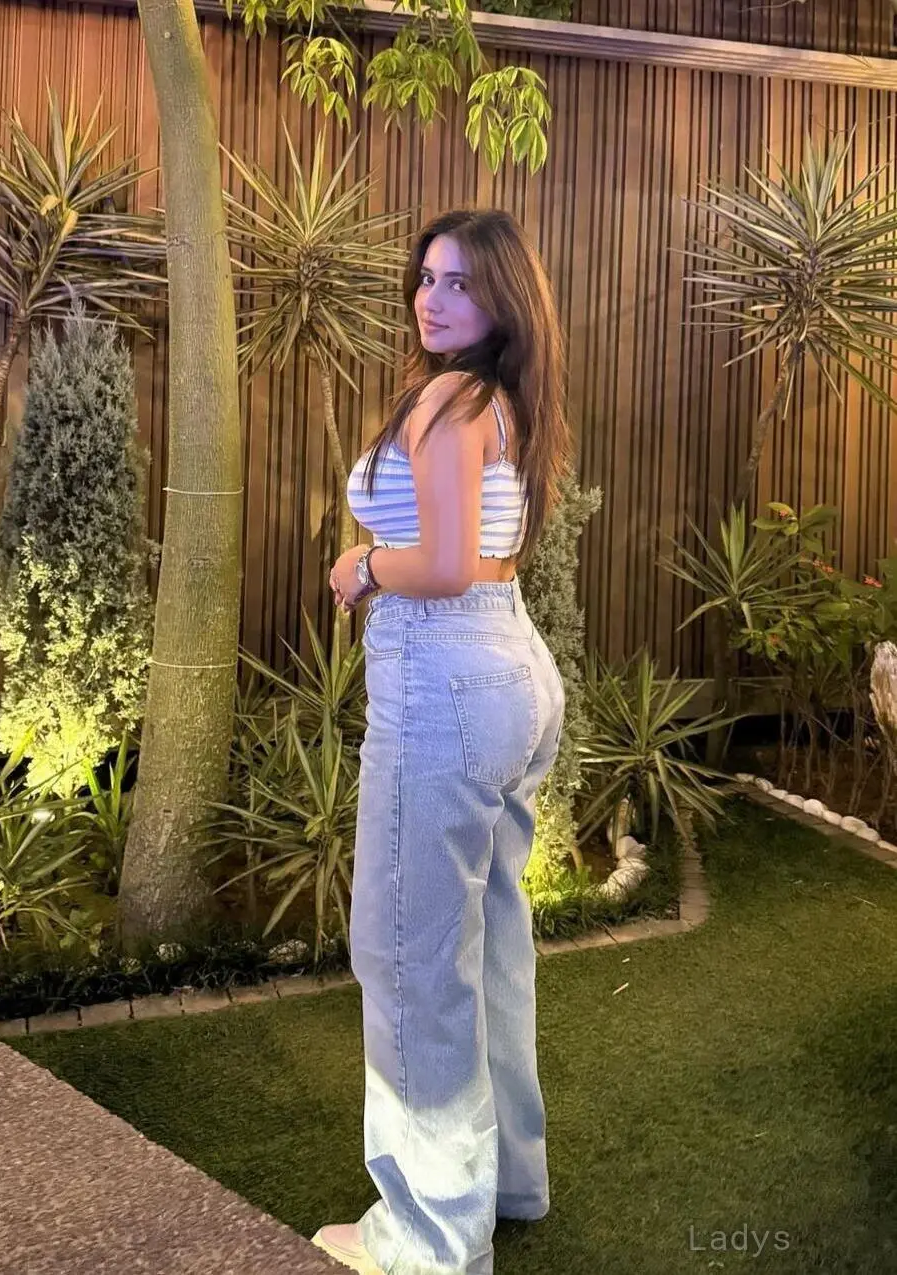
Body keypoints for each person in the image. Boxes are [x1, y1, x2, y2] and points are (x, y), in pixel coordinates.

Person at [312, 208, 573, 1275]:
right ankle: (504, 1179)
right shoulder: (504, 399)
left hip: (446, 677)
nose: (432, 298)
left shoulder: (448, 398)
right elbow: (484, 556)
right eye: (426, 278)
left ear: (503, 297)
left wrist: (363, 566)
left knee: (408, 951)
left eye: (460, 282)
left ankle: (428, 1235)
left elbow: (446, 563)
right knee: (487, 938)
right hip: (509, 670)